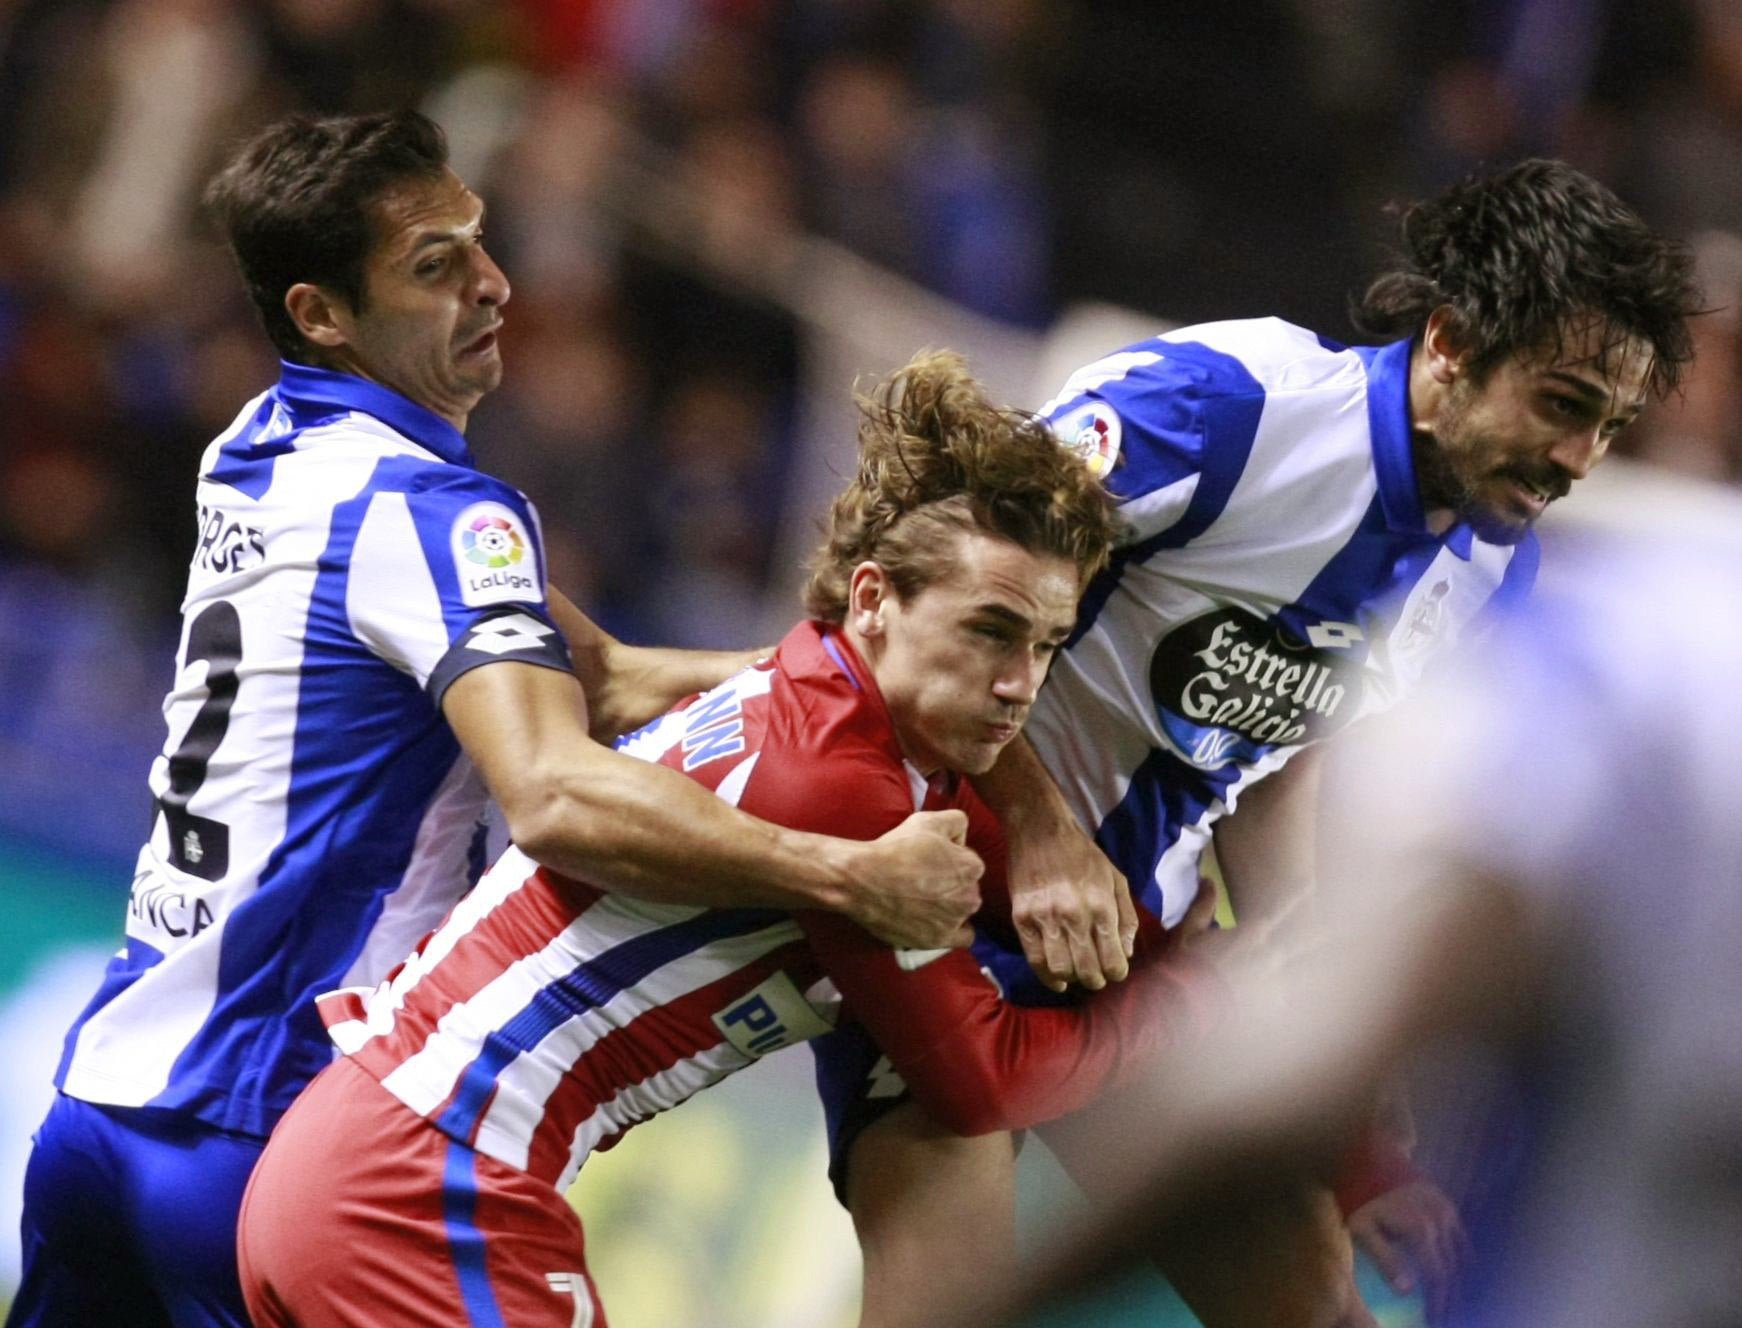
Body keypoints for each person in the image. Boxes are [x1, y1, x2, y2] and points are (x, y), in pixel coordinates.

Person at [6, 111, 983, 1328]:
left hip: (100, 1110)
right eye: (434, 265)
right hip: (260, 1126)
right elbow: (556, 791)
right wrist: (842, 873)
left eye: (479, 240)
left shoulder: (259, 450)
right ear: (321, 313)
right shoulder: (432, 514)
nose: (492, 282)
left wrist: (851, 683)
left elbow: (604, 676)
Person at [824, 158, 1702, 1327]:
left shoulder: (1490, 567)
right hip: (939, 889)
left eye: (1607, 424)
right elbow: (906, 568)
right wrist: (1036, 830)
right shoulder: (1231, 405)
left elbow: (1277, 758)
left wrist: (1349, 1097)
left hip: (1129, 949)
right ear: (1448, 340)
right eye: (1561, 402)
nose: (1579, 459)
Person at [234, 350, 1225, 1327]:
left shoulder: (821, 707)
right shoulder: (835, 778)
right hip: (430, 1179)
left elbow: (1067, 912)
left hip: (361, 1155)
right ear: (872, 599)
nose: (1020, 681)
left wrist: (1193, 952)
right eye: (989, 630)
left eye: (1045, 644)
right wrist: (1184, 1003)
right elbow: (984, 1077)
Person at [946, 522, 1742, 1328]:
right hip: (1010, 960)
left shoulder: (1644, 635)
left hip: (1147, 999)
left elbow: (1328, 1058)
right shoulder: (1662, 647)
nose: (1574, 460)